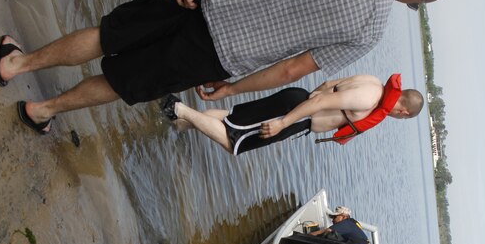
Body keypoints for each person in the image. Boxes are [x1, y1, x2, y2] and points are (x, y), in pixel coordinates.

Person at [0, 0, 445, 134]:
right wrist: (232, 89)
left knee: (109, 34)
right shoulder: (369, 29)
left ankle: (18, 63)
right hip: (220, 53)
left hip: (206, 0)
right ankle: (42, 111)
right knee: (123, 81)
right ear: (417, 1)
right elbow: (294, 70)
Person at [161, 73, 424, 157]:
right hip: (298, 114)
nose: (397, 117)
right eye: (401, 117)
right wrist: (284, 123)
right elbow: (321, 101)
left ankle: (180, 125)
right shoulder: (370, 98)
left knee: (231, 117)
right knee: (235, 142)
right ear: (402, 111)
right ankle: (178, 108)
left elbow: (326, 85)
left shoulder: (373, 81)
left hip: (297, 103)